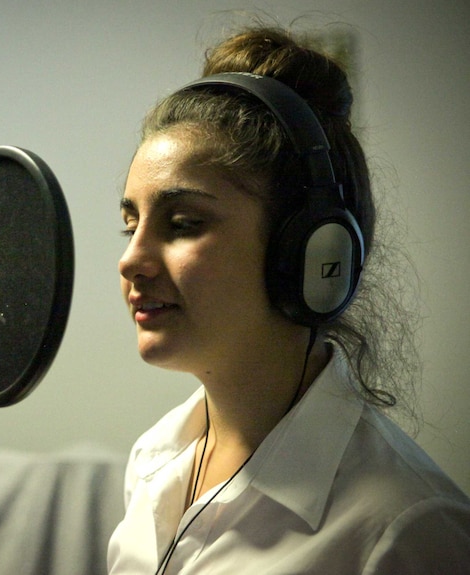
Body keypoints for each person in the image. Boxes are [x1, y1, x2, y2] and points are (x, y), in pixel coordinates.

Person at [107, 25, 470, 574]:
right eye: (130, 224)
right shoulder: (154, 460)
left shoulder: (407, 527)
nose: (131, 260)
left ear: (308, 251)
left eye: (182, 223)